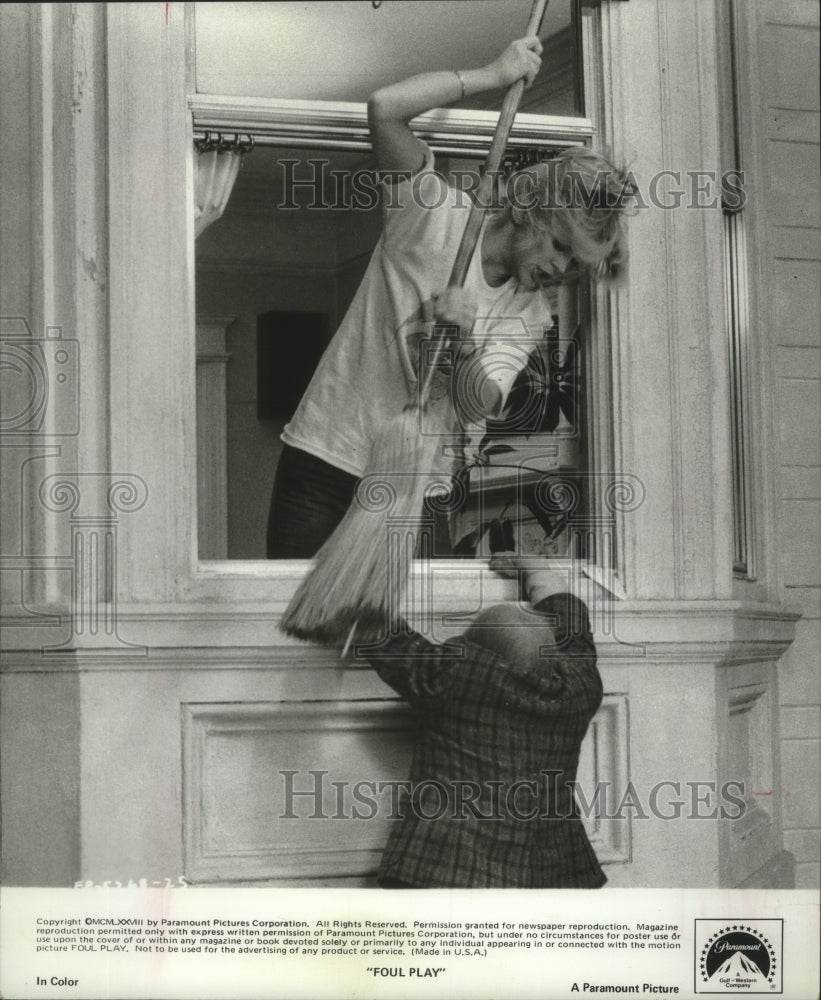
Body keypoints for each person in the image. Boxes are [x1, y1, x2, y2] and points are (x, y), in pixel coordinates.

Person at [267, 34, 632, 558]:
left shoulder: (529, 315)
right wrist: (492, 74)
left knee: (405, 635)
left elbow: (479, 403)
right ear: (531, 208)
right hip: (326, 457)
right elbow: (385, 109)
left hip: (418, 488)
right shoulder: (430, 212)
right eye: (560, 247)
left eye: (577, 266)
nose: (562, 270)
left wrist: (462, 345)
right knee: (291, 630)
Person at [352, 556, 605, 889]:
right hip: (546, 875)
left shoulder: (456, 677)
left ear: (475, 651)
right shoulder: (580, 685)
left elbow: (387, 637)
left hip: (447, 870)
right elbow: (575, 629)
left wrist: (352, 575)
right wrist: (538, 571)